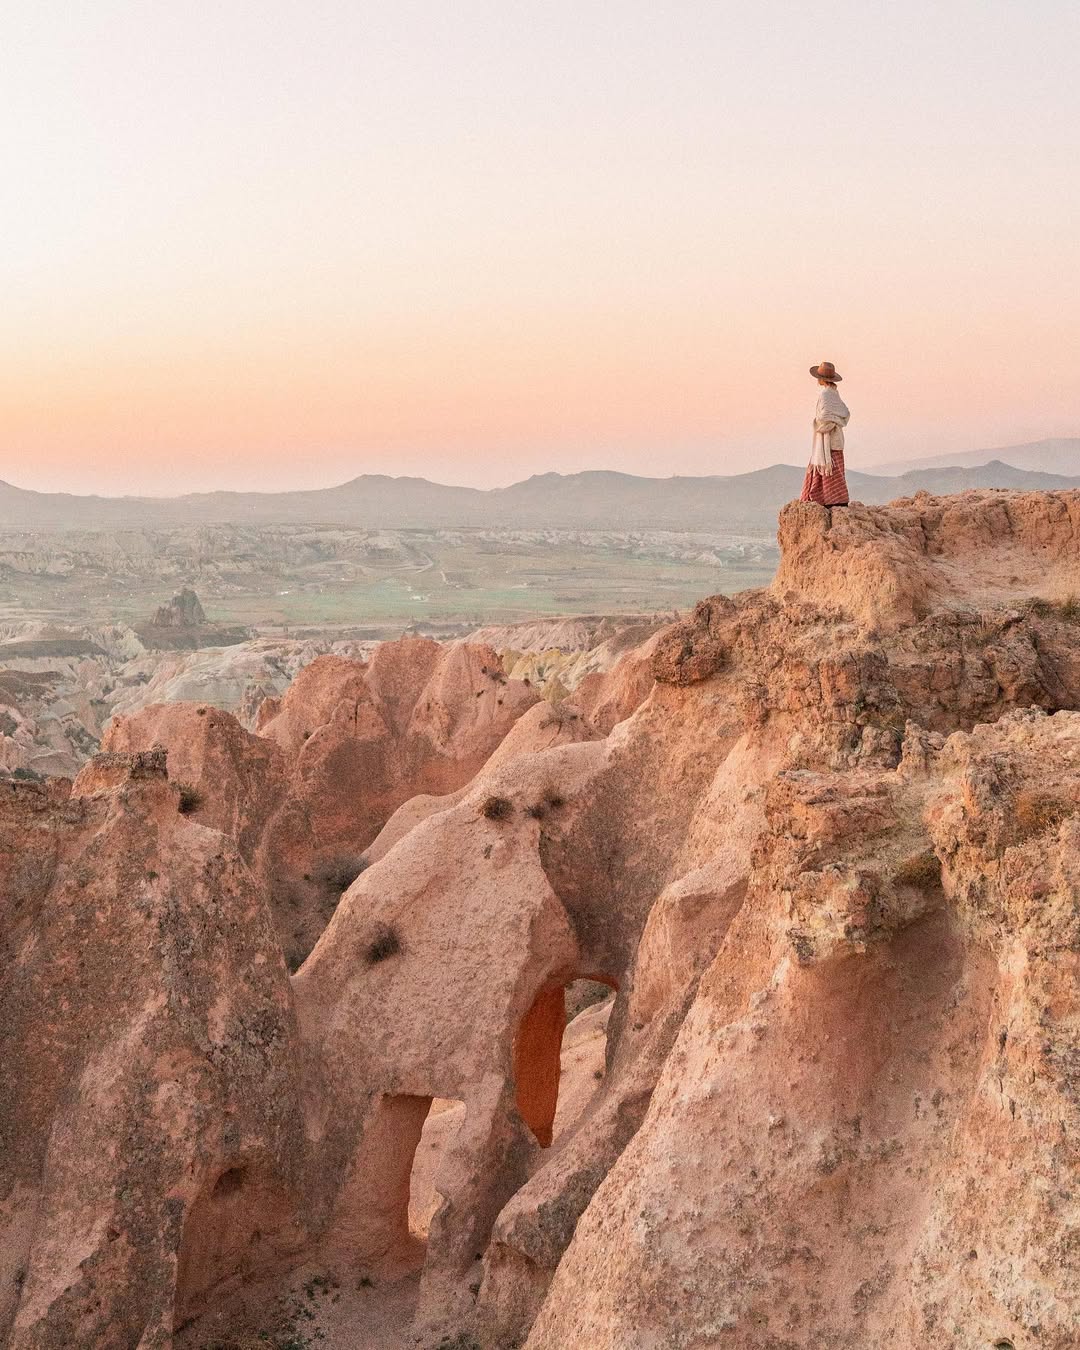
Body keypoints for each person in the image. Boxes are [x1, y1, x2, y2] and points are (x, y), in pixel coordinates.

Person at [800, 360, 850, 506]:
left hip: (827, 439)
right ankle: (838, 501)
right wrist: (835, 421)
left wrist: (822, 424)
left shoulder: (825, 394)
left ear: (820, 379)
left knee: (826, 467)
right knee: (836, 470)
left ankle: (823, 500)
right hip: (836, 437)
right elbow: (845, 413)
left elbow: (822, 417)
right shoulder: (835, 394)